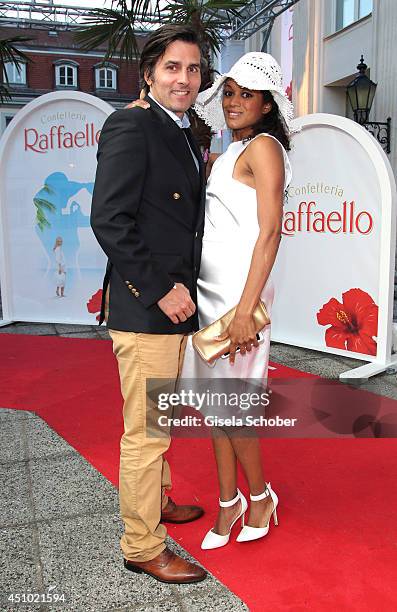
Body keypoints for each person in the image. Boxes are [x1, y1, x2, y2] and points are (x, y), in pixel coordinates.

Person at [90, 25, 207, 583]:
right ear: (149, 73)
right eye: (172, 68)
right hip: (148, 307)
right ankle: (141, 544)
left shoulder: (181, 128)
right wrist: (161, 288)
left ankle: (156, 501)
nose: (184, 79)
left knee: (159, 419)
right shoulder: (132, 124)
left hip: (174, 305)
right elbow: (108, 219)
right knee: (145, 431)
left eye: (193, 69)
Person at [182, 52, 293, 549]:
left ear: (267, 105)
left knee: (233, 409)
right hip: (210, 298)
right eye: (229, 91)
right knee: (214, 406)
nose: (233, 101)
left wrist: (247, 308)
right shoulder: (232, 152)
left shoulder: (265, 147)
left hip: (238, 304)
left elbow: (270, 232)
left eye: (246, 94)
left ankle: (261, 496)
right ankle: (229, 503)